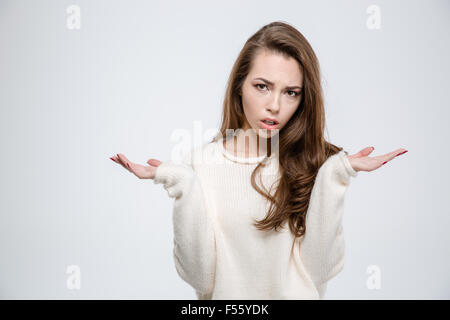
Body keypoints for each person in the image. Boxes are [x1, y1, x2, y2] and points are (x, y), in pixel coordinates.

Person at [110, 21, 407, 299]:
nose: (275, 105)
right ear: (240, 85)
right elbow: (201, 280)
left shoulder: (315, 163)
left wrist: (334, 175)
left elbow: (317, 275)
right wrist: (182, 183)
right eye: (262, 86)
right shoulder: (202, 163)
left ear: (304, 99)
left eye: (291, 93)